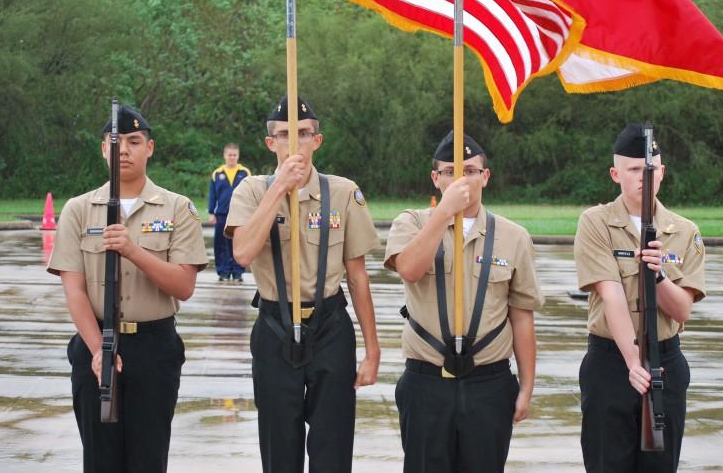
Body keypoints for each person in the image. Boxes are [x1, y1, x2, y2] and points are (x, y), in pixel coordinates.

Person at [47, 105, 208, 472]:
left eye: (134, 141)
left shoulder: (177, 208)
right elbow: (74, 290)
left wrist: (133, 250)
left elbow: (184, 286)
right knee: (100, 460)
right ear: (103, 149)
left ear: (149, 148)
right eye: (115, 142)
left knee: (148, 459)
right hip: (96, 344)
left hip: (154, 347)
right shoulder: (79, 209)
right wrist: (97, 350)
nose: (124, 150)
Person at [226, 95, 381, 473]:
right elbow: (243, 253)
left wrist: (373, 350)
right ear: (270, 143)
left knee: (333, 444)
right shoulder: (251, 191)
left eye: (303, 133)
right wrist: (278, 188)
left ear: (317, 140)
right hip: (274, 325)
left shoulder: (343, 193)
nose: (294, 143)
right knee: (280, 445)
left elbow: (358, 276)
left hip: (329, 324)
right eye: (284, 135)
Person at [383, 131, 544, 473]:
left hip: (490, 383)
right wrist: (443, 214)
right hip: (427, 383)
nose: (462, 179)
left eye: (470, 170)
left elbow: (521, 316)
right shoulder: (411, 222)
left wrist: (527, 386)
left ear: (485, 176)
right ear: (435, 178)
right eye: (450, 171)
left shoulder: (513, 237)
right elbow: (409, 269)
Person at [574, 123, 707, 473]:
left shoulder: (684, 231)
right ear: (616, 173)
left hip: (666, 360)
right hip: (611, 364)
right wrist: (634, 362)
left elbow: (682, 310)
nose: (642, 177)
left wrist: (658, 274)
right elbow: (611, 293)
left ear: (662, 171)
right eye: (633, 170)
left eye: (649, 169)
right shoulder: (596, 222)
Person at [207, 142, 251, 282]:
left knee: (238, 243)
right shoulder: (217, 173)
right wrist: (211, 212)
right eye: (229, 155)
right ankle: (223, 272)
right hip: (222, 214)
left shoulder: (245, 172)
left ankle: (237, 272)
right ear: (225, 156)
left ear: (238, 156)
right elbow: (212, 195)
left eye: (234, 155)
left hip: (240, 214)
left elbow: (250, 193)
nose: (232, 157)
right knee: (221, 244)